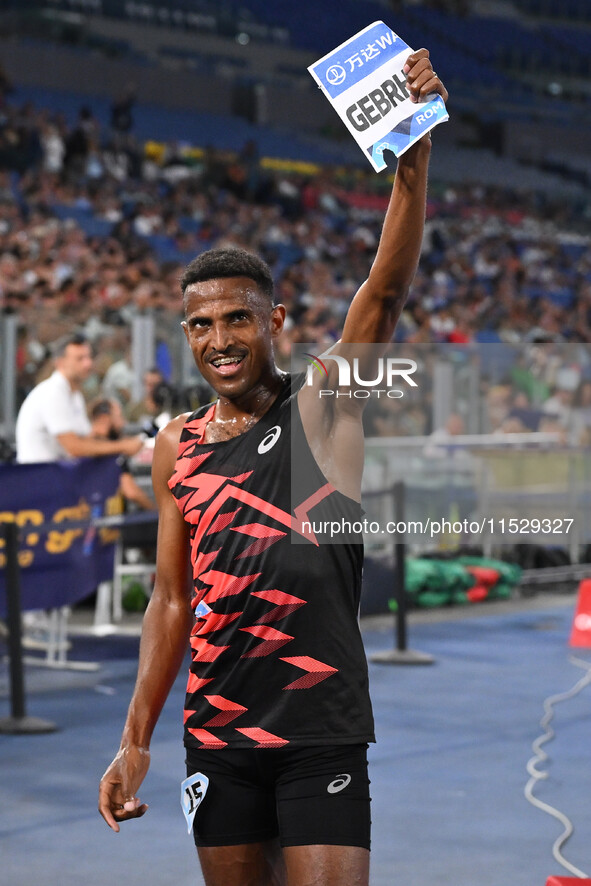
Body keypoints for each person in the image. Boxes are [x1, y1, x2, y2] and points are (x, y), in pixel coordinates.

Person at [99, 51, 448, 886]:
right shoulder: (174, 444)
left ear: (275, 319)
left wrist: (411, 160)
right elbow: (173, 595)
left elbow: (383, 294)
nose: (219, 339)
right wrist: (135, 738)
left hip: (318, 726)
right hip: (215, 732)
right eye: (201, 324)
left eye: (237, 319)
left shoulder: (322, 408)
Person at [15, 332, 144, 463]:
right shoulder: (52, 393)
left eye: (88, 357)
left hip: (58, 474)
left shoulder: (75, 395)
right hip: (39, 477)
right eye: (79, 359)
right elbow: (74, 448)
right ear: (60, 363)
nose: (88, 363)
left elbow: (85, 440)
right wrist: (123, 446)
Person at [89, 397, 156, 512]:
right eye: (119, 417)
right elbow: (131, 492)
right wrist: (155, 511)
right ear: (104, 418)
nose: (123, 423)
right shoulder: (112, 454)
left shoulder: (89, 447)